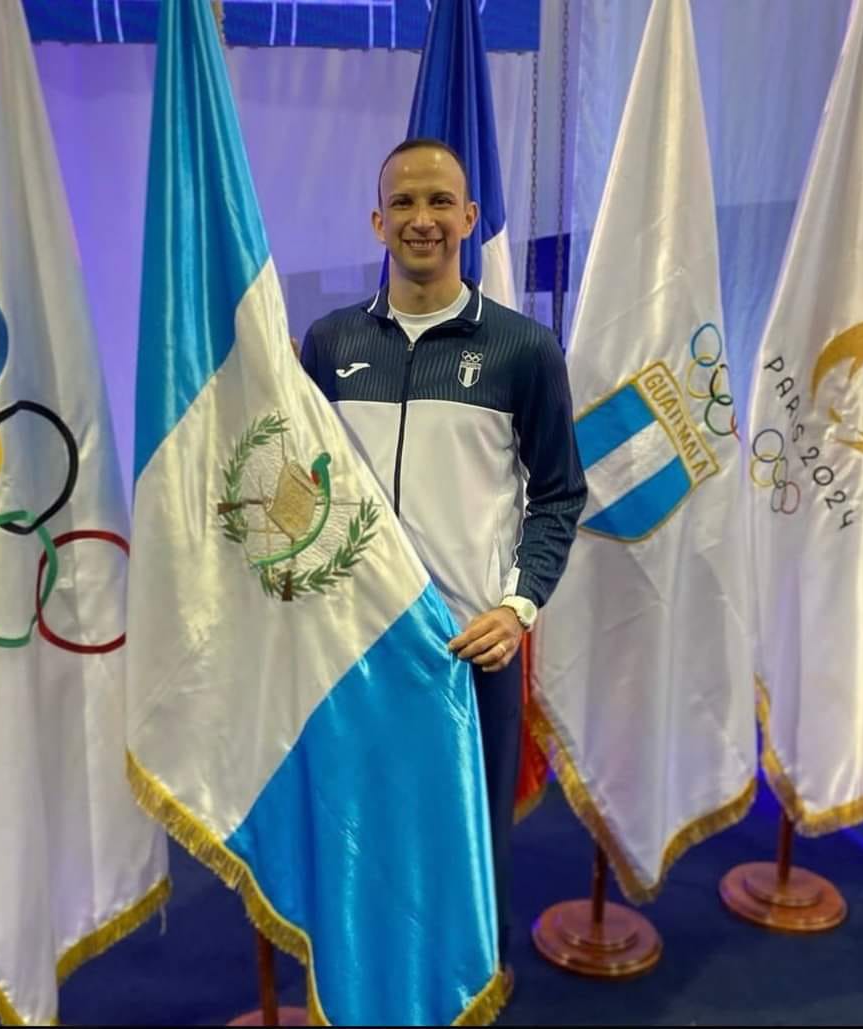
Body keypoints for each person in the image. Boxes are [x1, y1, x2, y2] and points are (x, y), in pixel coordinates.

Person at [299, 138, 586, 982]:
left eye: (440, 203)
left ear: (468, 216)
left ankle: (467, 991)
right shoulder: (328, 343)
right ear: (377, 219)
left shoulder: (523, 349)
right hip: (350, 653)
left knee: (469, 848)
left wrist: (519, 605)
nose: (422, 220)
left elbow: (560, 495)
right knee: (357, 837)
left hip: (469, 651)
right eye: (405, 203)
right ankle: (365, 987)